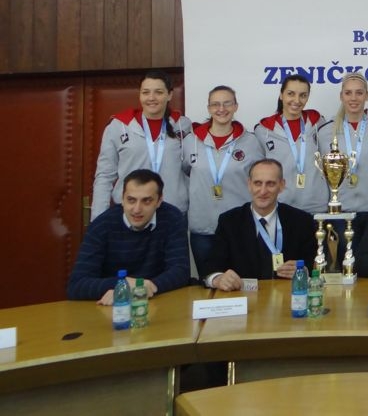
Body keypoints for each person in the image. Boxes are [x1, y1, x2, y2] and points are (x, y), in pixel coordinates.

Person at [68, 169, 190, 302]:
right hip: (114, 307)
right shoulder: (101, 225)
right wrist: (123, 286)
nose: (137, 209)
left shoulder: (172, 218)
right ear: (122, 198)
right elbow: (77, 285)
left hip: (158, 300)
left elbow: (180, 271)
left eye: (146, 201)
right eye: (131, 200)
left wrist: (144, 288)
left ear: (159, 201)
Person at [316, 72, 368, 263]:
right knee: (343, 267)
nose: (354, 98)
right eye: (348, 93)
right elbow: (322, 174)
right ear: (341, 96)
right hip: (341, 211)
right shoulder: (326, 131)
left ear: (367, 96)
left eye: (359, 93)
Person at [202, 159, 318, 290]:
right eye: (258, 183)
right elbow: (211, 265)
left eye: (270, 184)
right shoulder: (229, 222)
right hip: (243, 299)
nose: (263, 191)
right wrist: (218, 279)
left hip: (288, 299)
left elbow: (314, 262)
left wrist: (304, 271)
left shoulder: (301, 221)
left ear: (281, 185)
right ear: (249, 184)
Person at [92, 70, 192, 219]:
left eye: (158, 92)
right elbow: (105, 175)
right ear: (139, 94)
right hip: (131, 212)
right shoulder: (118, 126)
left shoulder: (182, 125)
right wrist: (98, 218)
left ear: (169, 95)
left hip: (172, 214)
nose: (151, 98)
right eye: (146, 92)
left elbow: (191, 168)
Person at [187, 85, 264, 277]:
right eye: (215, 104)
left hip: (239, 227)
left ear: (236, 106)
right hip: (202, 227)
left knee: (242, 283)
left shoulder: (251, 142)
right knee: (209, 283)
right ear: (209, 108)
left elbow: (259, 178)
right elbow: (186, 171)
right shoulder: (191, 141)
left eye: (227, 103)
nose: (221, 109)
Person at [254, 73, 327, 214]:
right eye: (291, 94)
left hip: (317, 207)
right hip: (281, 206)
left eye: (303, 95)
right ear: (281, 95)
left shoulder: (319, 124)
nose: (296, 100)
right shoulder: (263, 130)